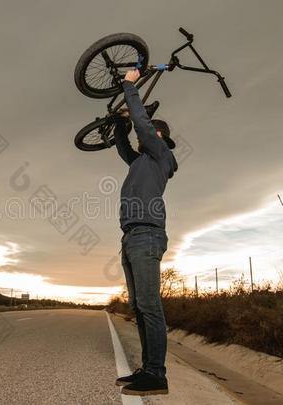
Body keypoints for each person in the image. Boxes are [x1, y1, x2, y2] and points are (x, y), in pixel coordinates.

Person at [113, 68, 178, 396]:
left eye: (150, 132)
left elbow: (142, 124)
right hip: (131, 236)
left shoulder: (161, 155)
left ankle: (157, 375)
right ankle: (148, 369)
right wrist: (117, 127)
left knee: (150, 305)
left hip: (147, 236)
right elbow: (124, 147)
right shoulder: (141, 162)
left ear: (160, 136)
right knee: (139, 306)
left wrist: (129, 85)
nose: (145, 135)